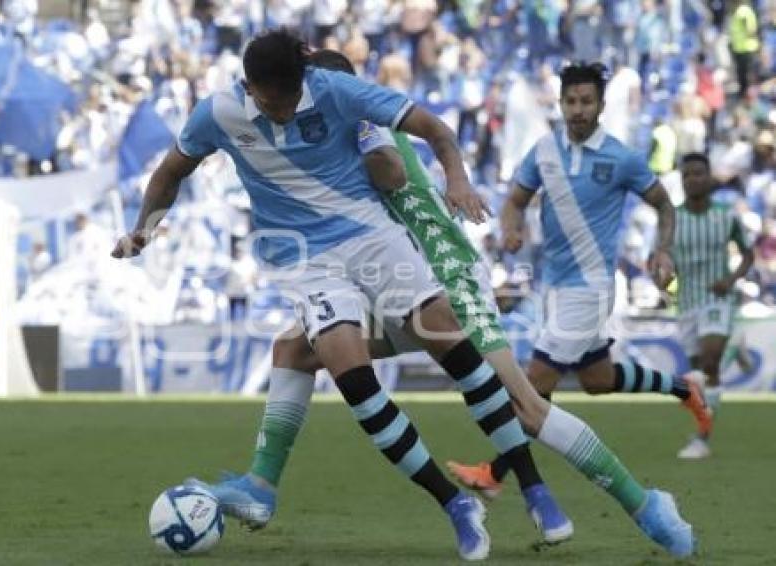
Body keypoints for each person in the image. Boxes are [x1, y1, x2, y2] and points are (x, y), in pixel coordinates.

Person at [196, 50, 696, 558]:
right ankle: (261, 486)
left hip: (448, 280)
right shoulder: (322, 139)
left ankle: (648, 506)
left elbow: (391, 173)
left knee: (526, 407)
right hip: (391, 287)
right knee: (295, 350)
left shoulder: (366, 124)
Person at [112, 28, 556, 561]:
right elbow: (169, 173)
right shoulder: (219, 112)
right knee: (354, 381)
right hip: (307, 262)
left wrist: (457, 177)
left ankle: (534, 488)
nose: (280, 113)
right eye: (269, 102)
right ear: (250, 87)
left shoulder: (336, 90)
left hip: (373, 238)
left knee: (456, 350)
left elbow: (434, 128)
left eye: (287, 100)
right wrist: (144, 228)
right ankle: (454, 505)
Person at [447, 63, 709, 504]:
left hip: (590, 289)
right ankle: (683, 388)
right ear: (562, 103)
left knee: (532, 385)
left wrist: (662, 250)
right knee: (597, 379)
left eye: (587, 101)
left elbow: (665, 206)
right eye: (571, 101)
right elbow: (514, 202)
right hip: (555, 286)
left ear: (601, 106)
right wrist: (513, 229)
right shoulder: (544, 151)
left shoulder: (622, 157)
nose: (578, 110)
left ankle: (495, 472)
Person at [673, 152, 754, 459]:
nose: (692, 179)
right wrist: (665, 284)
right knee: (699, 378)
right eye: (686, 175)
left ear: (709, 178)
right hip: (686, 303)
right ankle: (735, 346)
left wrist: (730, 280)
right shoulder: (672, 218)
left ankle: (702, 438)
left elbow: (748, 254)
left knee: (709, 364)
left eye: (698, 173)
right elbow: (660, 261)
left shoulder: (726, 215)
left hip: (717, 298)